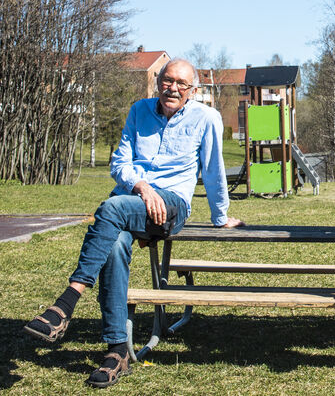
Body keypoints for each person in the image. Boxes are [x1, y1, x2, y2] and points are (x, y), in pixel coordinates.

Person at [23, 58, 244, 388]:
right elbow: (120, 163)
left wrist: (220, 216)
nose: (173, 88)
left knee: (110, 208)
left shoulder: (206, 118)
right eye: (168, 81)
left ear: (193, 90)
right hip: (132, 200)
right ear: (158, 82)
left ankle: (66, 303)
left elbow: (212, 170)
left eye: (182, 84)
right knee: (112, 246)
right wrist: (141, 186)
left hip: (171, 206)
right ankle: (117, 352)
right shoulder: (139, 111)